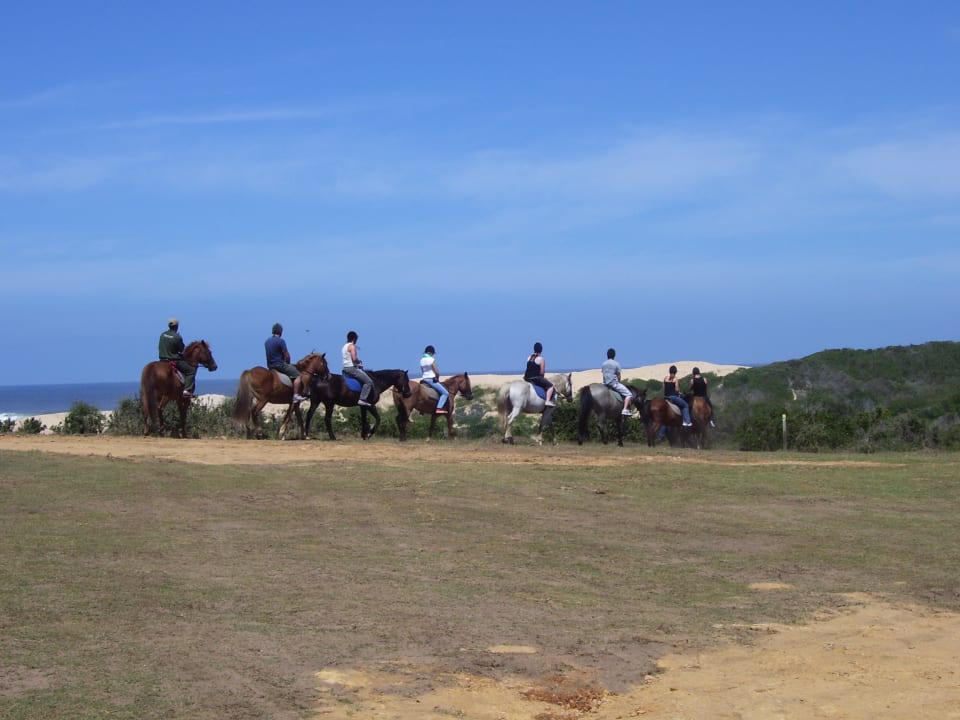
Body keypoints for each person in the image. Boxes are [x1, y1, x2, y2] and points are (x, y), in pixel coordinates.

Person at [265, 323, 308, 403]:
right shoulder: (281, 341)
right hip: (280, 365)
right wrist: (288, 363)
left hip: (270, 366)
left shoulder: (267, 341)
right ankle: (295, 395)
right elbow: (286, 355)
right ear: (280, 332)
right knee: (298, 375)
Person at [158, 318, 197, 398]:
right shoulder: (177, 337)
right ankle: (186, 390)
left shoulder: (162, 335)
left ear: (168, 326)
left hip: (162, 360)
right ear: (177, 326)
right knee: (191, 370)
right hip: (173, 360)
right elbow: (182, 350)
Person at [342, 330, 375, 407]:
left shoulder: (344, 347)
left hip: (345, 368)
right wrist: (359, 362)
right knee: (369, 382)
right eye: (356, 339)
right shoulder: (352, 346)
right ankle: (362, 399)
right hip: (351, 369)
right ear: (354, 338)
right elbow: (354, 359)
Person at [601, 348, 634, 416]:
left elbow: (604, 376)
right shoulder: (616, 363)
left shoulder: (603, 364)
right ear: (614, 355)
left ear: (607, 355)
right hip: (614, 384)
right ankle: (625, 409)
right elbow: (618, 376)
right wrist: (618, 382)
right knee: (629, 394)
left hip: (605, 384)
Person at [523, 342, 556, 406]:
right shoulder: (541, 359)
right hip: (536, 378)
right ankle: (547, 401)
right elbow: (542, 372)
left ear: (534, 349)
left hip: (527, 378)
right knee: (551, 387)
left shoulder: (529, 357)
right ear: (541, 350)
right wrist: (542, 378)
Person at [419, 345, 449, 414]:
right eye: (433, 353)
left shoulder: (421, 360)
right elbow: (436, 371)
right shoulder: (431, 360)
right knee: (445, 393)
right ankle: (439, 408)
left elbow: (422, 371)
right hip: (431, 379)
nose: (433, 355)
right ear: (430, 352)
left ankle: (421, 409)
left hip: (424, 379)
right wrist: (437, 378)